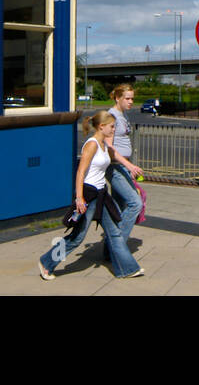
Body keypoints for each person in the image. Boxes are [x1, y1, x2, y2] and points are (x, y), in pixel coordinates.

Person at [38, 110, 143, 280]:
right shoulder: (92, 144)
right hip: (88, 196)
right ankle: (47, 262)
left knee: (115, 233)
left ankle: (128, 269)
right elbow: (80, 172)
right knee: (77, 238)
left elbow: (114, 155)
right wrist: (79, 198)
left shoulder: (104, 145)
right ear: (101, 127)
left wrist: (130, 167)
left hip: (102, 195)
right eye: (111, 126)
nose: (114, 129)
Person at [104, 84, 145, 259]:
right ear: (117, 98)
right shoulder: (111, 116)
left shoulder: (122, 115)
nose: (131, 102)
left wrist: (128, 165)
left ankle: (109, 250)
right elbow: (109, 147)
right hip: (115, 167)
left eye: (132, 98)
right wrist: (128, 166)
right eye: (127, 98)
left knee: (118, 208)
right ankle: (117, 247)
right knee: (135, 203)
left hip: (122, 166)